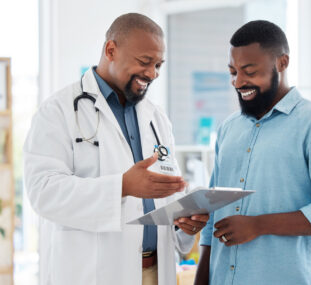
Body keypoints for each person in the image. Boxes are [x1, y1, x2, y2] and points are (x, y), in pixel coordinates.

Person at [24, 13, 208, 285]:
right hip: (93, 273)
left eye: (158, 64)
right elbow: (43, 191)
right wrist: (121, 186)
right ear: (111, 50)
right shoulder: (58, 111)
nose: (153, 73)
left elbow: (167, 193)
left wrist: (184, 222)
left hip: (155, 272)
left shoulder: (156, 117)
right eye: (145, 62)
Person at [194, 20, 311, 285]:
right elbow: (214, 216)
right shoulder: (228, 129)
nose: (238, 81)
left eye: (249, 71)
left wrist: (258, 225)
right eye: (233, 71)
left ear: (282, 62)